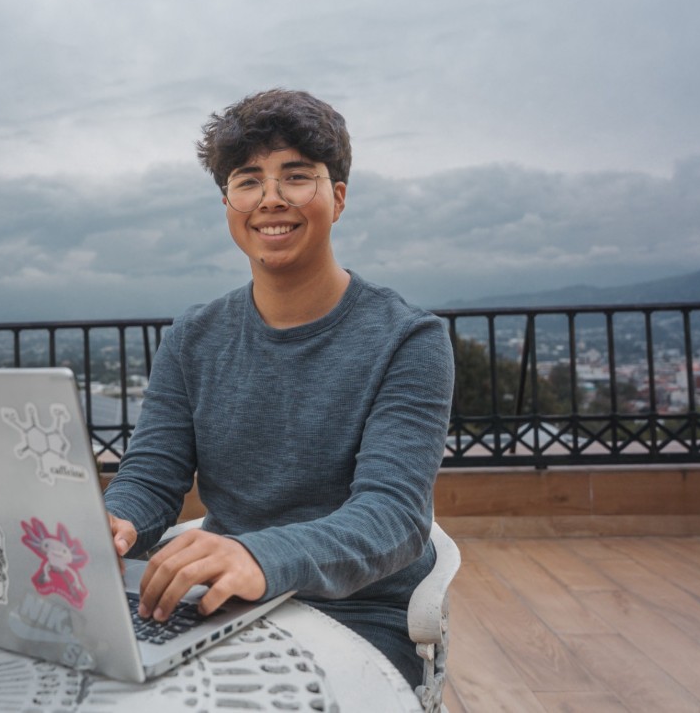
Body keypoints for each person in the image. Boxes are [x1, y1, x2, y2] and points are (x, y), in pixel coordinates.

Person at [103, 88, 454, 686]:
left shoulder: (408, 339)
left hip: (358, 611)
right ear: (228, 203)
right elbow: (153, 476)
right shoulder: (193, 336)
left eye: (295, 176)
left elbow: (392, 516)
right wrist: (116, 523)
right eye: (248, 181)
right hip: (223, 599)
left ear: (337, 197)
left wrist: (258, 554)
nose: (270, 198)